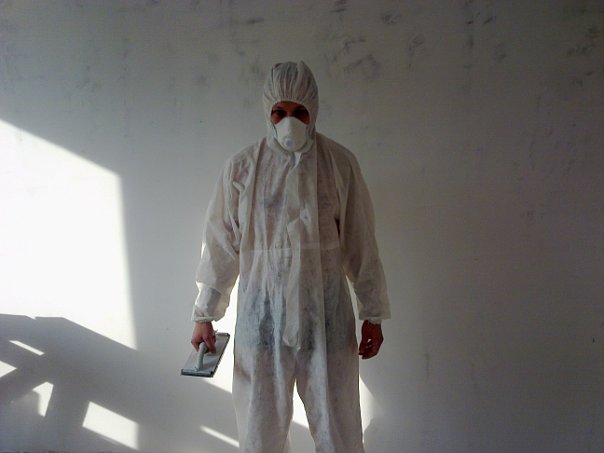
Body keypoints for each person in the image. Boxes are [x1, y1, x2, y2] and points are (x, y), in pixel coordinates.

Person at [190, 61, 390, 453]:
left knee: (339, 432)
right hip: (262, 322)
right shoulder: (242, 169)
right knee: (260, 433)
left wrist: (374, 313)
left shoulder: (339, 164)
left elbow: (360, 242)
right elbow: (220, 246)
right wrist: (204, 315)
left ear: (314, 111)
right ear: (267, 111)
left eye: (300, 112)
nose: (289, 122)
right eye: (279, 112)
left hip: (326, 323)